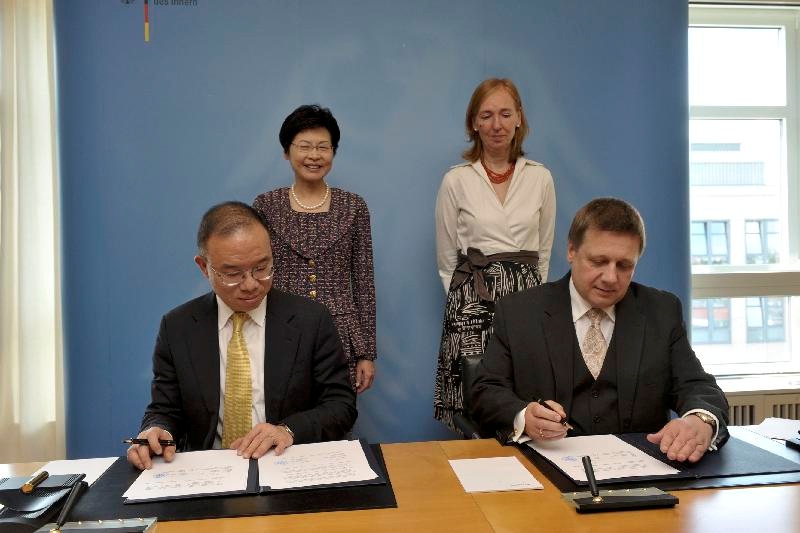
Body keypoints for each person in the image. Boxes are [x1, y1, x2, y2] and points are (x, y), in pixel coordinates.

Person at [471, 198, 729, 463]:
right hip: (545, 470)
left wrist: (701, 419)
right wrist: (524, 416)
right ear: (571, 250)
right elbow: (486, 390)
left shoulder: (661, 311)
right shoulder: (519, 312)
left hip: (642, 474)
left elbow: (696, 385)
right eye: (598, 261)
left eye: (624, 265)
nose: (610, 277)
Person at [127, 201, 356, 470]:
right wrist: (157, 431)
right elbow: (165, 409)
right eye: (233, 274)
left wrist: (287, 430)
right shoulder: (178, 327)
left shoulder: (311, 319)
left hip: (287, 465)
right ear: (204, 267)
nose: (250, 285)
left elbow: (341, 405)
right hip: (209, 472)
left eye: (262, 268)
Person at [434, 78, 556, 432]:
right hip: (472, 300)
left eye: (505, 114)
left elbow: (543, 254)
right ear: (474, 123)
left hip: (527, 297)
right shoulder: (456, 180)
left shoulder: (541, 178)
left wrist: (534, 301)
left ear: (519, 118)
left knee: (524, 395)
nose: (496, 124)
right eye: (486, 115)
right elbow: (446, 260)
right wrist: (467, 303)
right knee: (475, 405)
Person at [253, 104, 376, 395]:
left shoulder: (354, 207)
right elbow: (256, 273)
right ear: (287, 151)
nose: (314, 155)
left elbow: (364, 283)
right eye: (304, 146)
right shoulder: (266, 206)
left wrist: (367, 352)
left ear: (333, 152)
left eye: (323, 147)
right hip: (279, 331)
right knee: (279, 420)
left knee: (335, 418)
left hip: (340, 336)